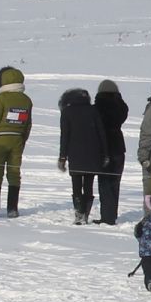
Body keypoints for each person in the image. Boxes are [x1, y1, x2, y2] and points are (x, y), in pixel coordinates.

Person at [0, 66, 33, 219]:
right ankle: (12, 209)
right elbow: (28, 123)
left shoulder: (1, 98)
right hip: (17, 139)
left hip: (0, 139)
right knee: (14, 172)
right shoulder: (26, 100)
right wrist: (23, 138)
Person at [58, 88, 111, 225]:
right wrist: (105, 153)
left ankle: (78, 214)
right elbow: (101, 134)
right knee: (88, 184)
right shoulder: (93, 110)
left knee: (76, 185)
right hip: (93, 154)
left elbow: (64, 136)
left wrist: (62, 157)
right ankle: (85, 214)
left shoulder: (67, 112)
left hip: (74, 154)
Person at [94, 80, 130, 225]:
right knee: (115, 183)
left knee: (104, 183)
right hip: (119, 147)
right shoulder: (121, 107)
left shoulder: (97, 107)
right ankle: (111, 215)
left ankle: (107, 217)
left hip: (103, 148)